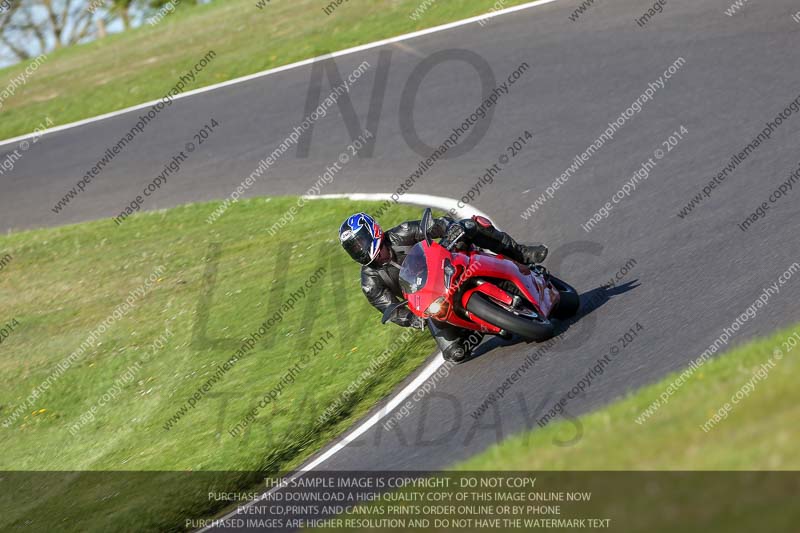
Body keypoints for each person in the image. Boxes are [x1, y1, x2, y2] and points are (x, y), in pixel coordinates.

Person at [339, 212, 547, 363]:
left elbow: (434, 225)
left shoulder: (401, 233)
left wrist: (450, 229)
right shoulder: (369, 282)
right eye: (353, 248)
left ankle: (521, 253)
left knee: (471, 225)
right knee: (454, 354)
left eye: (360, 242)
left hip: (448, 268)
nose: (359, 249)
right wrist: (413, 318)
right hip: (432, 303)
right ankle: (477, 326)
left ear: (373, 231)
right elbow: (391, 309)